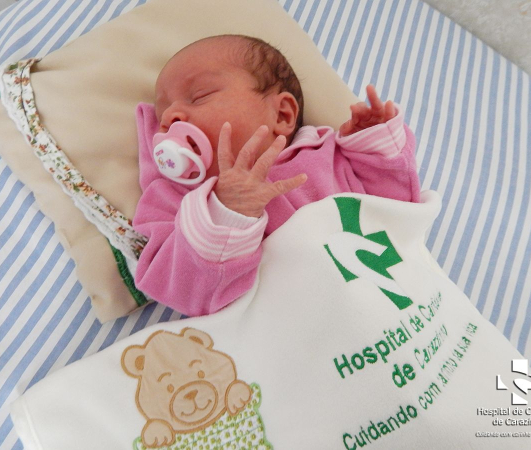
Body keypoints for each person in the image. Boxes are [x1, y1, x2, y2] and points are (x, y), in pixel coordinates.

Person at [133, 34, 420, 316]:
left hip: (399, 306)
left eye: (200, 96)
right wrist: (225, 217)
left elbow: (395, 210)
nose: (169, 117)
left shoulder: (326, 155)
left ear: (282, 115)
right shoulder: (173, 202)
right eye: (162, 115)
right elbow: (181, 291)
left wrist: (375, 145)